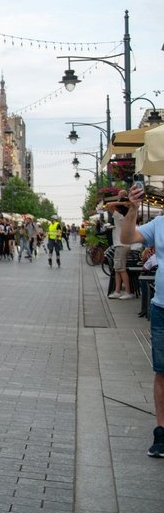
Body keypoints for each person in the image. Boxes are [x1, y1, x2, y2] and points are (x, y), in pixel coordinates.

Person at [119, 183, 164, 456]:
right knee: (162, 372)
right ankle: (161, 431)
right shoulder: (159, 223)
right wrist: (133, 209)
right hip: (161, 308)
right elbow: (127, 237)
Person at [104, 190, 135, 300]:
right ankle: (117, 291)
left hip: (120, 245)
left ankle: (127, 291)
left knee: (121, 269)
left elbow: (108, 205)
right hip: (124, 245)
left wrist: (121, 202)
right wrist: (124, 201)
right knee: (118, 269)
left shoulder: (119, 217)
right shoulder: (128, 216)